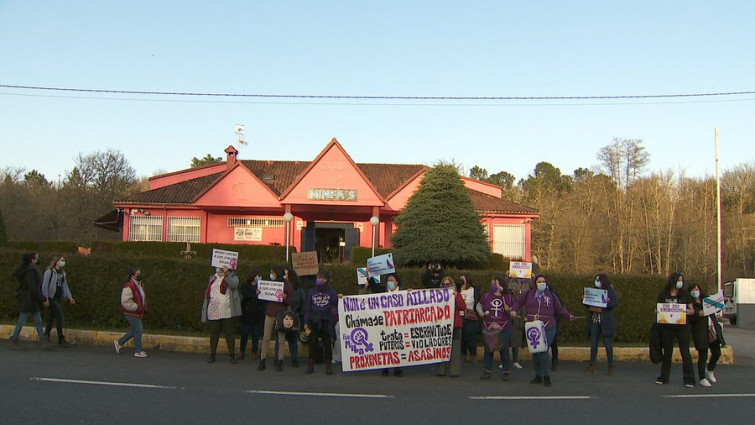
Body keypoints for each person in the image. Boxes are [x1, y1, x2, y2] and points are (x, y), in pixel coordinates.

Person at [510, 274, 576, 387]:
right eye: (539, 281)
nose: (542, 283)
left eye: (543, 281)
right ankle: (538, 375)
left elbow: (560, 308)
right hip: (533, 327)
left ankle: (546, 376)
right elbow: (518, 303)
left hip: (548, 326)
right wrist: (514, 310)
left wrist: (568, 315)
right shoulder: (528, 294)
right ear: (535, 283)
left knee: (543, 349)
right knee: (535, 351)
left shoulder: (551, 295)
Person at [655, 272, 695, 387]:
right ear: (672, 281)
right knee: (667, 352)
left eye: (681, 280)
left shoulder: (685, 295)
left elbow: (692, 310)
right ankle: (664, 377)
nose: (680, 283)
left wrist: (684, 311)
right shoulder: (664, 294)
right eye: (678, 280)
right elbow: (659, 308)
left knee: (685, 352)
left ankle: (689, 379)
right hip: (667, 327)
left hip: (682, 327)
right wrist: (658, 312)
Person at [477, 276, 516, 381]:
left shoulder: (508, 297)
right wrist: (481, 313)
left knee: (504, 351)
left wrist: (510, 310)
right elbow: (479, 305)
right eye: (492, 283)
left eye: (495, 283)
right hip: (489, 327)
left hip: (504, 327)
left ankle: (506, 372)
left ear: (501, 285)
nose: (493, 285)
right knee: (488, 350)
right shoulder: (486, 296)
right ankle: (487, 371)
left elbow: (514, 311)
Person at [201, 266, 241, 364]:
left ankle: (232, 356)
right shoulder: (213, 277)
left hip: (227, 311)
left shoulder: (233, 276)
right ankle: (212, 355)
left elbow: (234, 285)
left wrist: (226, 274)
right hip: (213, 310)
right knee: (214, 334)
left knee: (229, 334)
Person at [688, 283, 726, 387]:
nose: (695, 291)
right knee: (703, 355)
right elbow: (689, 318)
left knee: (716, 352)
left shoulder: (706, 300)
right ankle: (702, 378)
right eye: (693, 289)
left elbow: (715, 310)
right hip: (700, 332)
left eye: (696, 289)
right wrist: (698, 314)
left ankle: (709, 369)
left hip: (711, 331)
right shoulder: (690, 304)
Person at [10, 252, 50, 348]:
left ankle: (42, 339)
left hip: (31, 299)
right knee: (22, 320)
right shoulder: (31, 271)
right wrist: (43, 299)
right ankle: (14, 340)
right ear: (32, 260)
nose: (37, 260)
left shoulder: (31, 270)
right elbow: (33, 287)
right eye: (36, 258)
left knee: (37, 320)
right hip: (28, 299)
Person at [304, 269, 339, 375]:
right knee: (312, 343)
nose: (318, 280)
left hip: (326, 320)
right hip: (314, 320)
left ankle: (328, 366)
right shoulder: (312, 291)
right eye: (318, 277)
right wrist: (306, 321)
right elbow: (308, 307)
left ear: (325, 280)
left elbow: (335, 302)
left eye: (321, 278)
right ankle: (310, 366)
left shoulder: (330, 291)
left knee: (327, 343)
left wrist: (339, 297)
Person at [257, 266, 293, 371]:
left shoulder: (287, 285)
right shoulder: (270, 284)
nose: (271, 274)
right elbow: (265, 296)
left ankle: (280, 360)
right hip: (270, 313)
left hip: (281, 314)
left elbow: (290, 300)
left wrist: (285, 297)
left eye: (272, 273)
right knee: (266, 337)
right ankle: (262, 359)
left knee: (281, 339)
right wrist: (260, 293)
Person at [584, 273, 619, 376]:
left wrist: (608, 303)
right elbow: (588, 305)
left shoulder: (610, 290)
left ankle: (610, 366)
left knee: (608, 345)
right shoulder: (593, 290)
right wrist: (585, 300)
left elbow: (615, 303)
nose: (597, 282)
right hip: (595, 320)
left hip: (606, 321)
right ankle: (592, 365)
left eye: (598, 280)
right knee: (593, 344)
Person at [41, 255, 76, 347]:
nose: (63, 262)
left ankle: (46, 335)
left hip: (58, 297)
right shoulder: (50, 272)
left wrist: (69, 297)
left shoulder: (62, 273)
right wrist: (45, 298)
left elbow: (65, 286)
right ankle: (60, 338)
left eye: (64, 260)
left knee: (52, 318)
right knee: (59, 316)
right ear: (56, 261)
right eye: (61, 260)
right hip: (51, 297)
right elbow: (44, 286)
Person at [114, 268, 149, 358]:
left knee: (134, 330)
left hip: (137, 312)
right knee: (139, 330)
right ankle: (138, 350)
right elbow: (125, 301)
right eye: (138, 274)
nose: (140, 275)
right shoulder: (129, 286)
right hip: (132, 313)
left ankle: (119, 342)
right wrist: (136, 307)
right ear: (133, 275)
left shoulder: (139, 284)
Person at [274, 267, 304, 368]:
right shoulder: (278, 287)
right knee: (279, 339)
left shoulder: (299, 291)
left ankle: (294, 359)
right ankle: (277, 358)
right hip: (280, 316)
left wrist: (298, 314)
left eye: (286, 275)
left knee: (293, 340)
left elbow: (303, 303)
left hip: (293, 317)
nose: (284, 277)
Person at [436, 276, 465, 377]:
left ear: (452, 285)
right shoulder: (436, 296)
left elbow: (463, 307)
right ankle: (441, 370)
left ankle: (454, 371)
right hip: (441, 325)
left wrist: (456, 296)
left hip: (455, 325)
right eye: (444, 285)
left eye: (448, 285)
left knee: (455, 350)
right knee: (441, 348)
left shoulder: (457, 295)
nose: (446, 286)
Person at [238, 269, 266, 360]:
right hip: (247, 313)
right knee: (244, 333)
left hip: (257, 313)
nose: (259, 277)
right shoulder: (245, 285)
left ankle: (254, 352)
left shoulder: (261, 286)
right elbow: (244, 295)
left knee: (255, 334)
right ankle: (242, 351)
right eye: (257, 275)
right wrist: (255, 294)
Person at [507, 274, 531, 369]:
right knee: (505, 343)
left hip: (517, 324)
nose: (511, 291)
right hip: (508, 324)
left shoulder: (521, 300)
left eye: (513, 289)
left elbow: (523, 311)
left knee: (515, 344)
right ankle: (505, 360)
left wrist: (522, 322)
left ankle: (516, 360)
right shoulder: (507, 299)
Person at [458, 274, 481, 363]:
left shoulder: (473, 290)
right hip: (460, 316)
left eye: (463, 279)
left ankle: (473, 355)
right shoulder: (457, 290)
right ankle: (463, 355)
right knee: (462, 337)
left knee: (470, 336)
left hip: (470, 316)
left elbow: (478, 301)